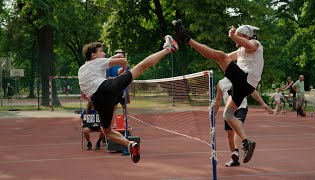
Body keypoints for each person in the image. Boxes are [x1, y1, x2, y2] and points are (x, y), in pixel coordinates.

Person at [174, 19, 266, 163]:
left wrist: (234, 36)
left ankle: (186, 38)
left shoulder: (256, 44)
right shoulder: (240, 51)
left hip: (246, 80)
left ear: (246, 36)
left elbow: (249, 45)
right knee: (228, 114)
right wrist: (207, 51)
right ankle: (246, 142)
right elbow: (219, 56)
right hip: (242, 85)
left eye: (239, 36)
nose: (236, 40)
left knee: (220, 56)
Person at [78, 35, 178, 163]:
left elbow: (83, 93)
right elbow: (123, 61)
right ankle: (167, 49)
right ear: (93, 55)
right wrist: (122, 70)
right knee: (141, 67)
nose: (104, 53)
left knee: (107, 131)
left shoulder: (81, 70)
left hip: (98, 101)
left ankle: (130, 144)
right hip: (108, 88)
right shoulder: (98, 61)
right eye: (101, 51)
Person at [215, 77, 270, 167]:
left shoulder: (239, 77)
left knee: (238, 126)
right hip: (228, 110)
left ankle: (236, 151)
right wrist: (213, 115)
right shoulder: (220, 83)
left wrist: (263, 103)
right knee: (229, 134)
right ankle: (234, 160)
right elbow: (218, 100)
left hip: (241, 107)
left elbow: (252, 91)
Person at [106, 49, 130, 128]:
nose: (121, 58)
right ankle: (113, 124)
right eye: (119, 56)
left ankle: (125, 124)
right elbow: (108, 77)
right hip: (114, 89)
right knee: (114, 107)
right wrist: (118, 78)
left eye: (122, 56)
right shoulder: (110, 66)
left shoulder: (127, 66)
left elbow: (128, 77)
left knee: (124, 107)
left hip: (124, 89)